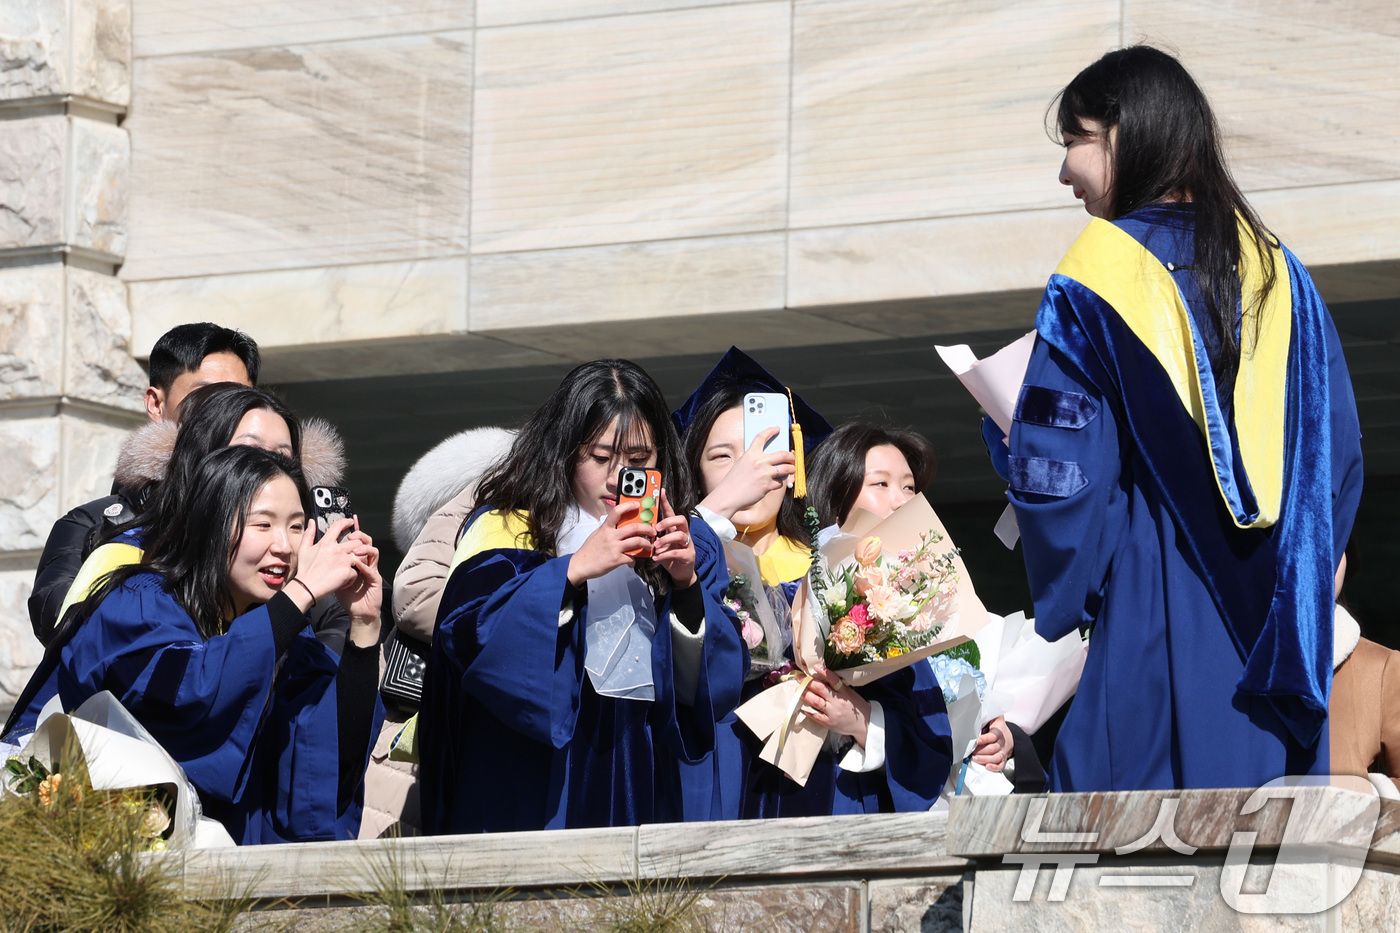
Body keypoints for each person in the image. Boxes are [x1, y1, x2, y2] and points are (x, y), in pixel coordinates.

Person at [997, 46, 1363, 791]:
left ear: (1124, 134)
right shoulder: (1281, 271)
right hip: (1275, 636)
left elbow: (1060, 473)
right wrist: (1307, 572)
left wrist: (1082, 574)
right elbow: (1338, 452)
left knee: (1134, 845)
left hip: (1151, 607)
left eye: (1074, 139)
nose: (1065, 171)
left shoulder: (1097, 272)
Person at [419, 359, 746, 834]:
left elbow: (707, 690)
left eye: (639, 459)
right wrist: (570, 572)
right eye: (601, 457)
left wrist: (685, 586)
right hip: (531, 779)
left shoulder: (681, 542)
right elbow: (469, 639)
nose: (620, 478)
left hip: (639, 770)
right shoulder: (507, 529)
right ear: (566, 452)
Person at [50, 444, 383, 843]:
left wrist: (364, 626)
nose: (284, 546)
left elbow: (328, 766)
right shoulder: (140, 602)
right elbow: (188, 697)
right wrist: (302, 592)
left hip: (247, 870)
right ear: (209, 525)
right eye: (263, 525)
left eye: (297, 527)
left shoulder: (290, 636)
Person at [675, 350, 952, 818]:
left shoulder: (845, 575)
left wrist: (863, 720)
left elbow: (922, 728)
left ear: (792, 466)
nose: (750, 472)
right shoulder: (673, 570)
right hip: (715, 802)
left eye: (765, 454)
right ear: (695, 470)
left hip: (837, 805)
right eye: (724, 458)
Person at [3, 383, 350, 741]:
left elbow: (311, 749)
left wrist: (365, 631)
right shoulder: (136, 579)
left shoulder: (272, 589)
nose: (268, 472)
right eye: (248, 453)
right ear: (199, 464)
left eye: (283, 457)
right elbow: (179, 696)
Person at [808, 422, 1046, 793]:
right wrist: (861, 723)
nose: (903, 499)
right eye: (881, 484)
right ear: (836, 493)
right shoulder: (812, 596)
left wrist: (999, 732)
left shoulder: (932, 603)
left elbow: (947, 718)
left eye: (909, 486)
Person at [28, 322, 261, 644]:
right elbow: (61, 623)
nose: (224, 412)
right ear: (155, 403)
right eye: (205, 396)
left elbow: (336, 628)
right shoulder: (93, 526)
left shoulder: (299, 521)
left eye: (238, 397)